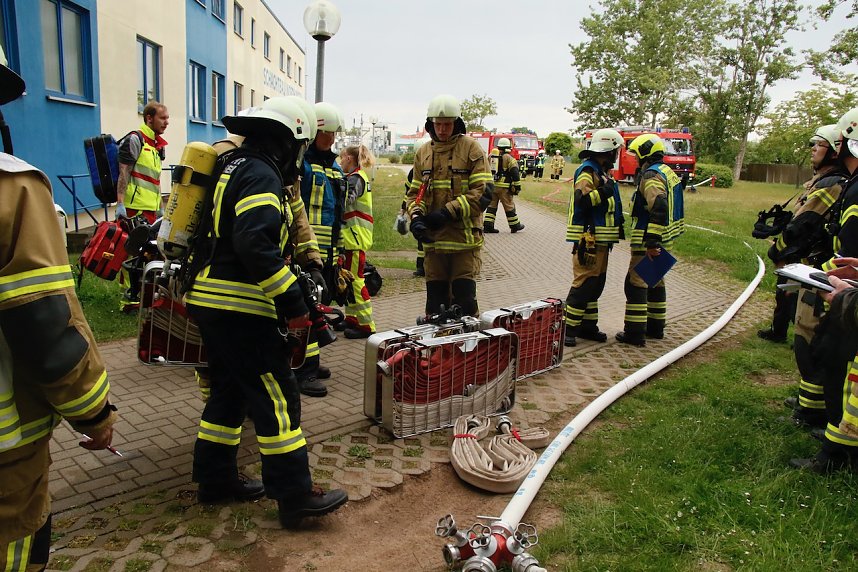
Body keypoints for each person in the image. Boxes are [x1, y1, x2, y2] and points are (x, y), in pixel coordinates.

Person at [184, 98, 347, 526]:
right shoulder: (260, 173)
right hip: (240, 305)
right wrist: (292, 301)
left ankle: (216, 481)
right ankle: (294, 497)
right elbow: (253, 243)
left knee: (228, 392)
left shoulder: (233, 164)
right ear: (290, 141)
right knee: (277, 396)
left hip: (210, 298)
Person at [0, 48, 118, 571]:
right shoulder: (13, 189)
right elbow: (43, 320)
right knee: (16, 541)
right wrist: (93, 413)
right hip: (6, 445)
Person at [790, 107, 858, 473]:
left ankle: (838, 454)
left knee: (839, 364)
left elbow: (846, 245)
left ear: (842, 144)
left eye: (820, 144)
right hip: (839, 284)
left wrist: (832, 278)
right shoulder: (847, 185)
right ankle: (830, 432)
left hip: (843, 293)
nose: (814, 148)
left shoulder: (852, 190)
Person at [773, 125, 848, 428]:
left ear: (834, 149)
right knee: (807, 338)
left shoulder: (832, 183)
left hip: (819, 272)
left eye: (817, 145)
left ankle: (813, 413)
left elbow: (804, 225)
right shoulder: (832, 181)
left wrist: (777, 249)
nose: (812, 149)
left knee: (809, 340)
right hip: (818, 270)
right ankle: (808, 404)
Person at [406, 94, 491, 318]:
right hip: (434, 245)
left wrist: (446, 213)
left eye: (447, 124)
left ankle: (468, 352)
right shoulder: (423, 153)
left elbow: (483, 193)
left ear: (457, 124)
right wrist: (416, 218)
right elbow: (415, 194)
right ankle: (437, 350)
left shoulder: (471, 149)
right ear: (430, 125)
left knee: (464, 303)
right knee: (435, 305)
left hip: (464, 241)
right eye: (438, 124)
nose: (442, 129)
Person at [296, 102, 347, 397]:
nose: (331, 138)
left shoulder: (335, 167)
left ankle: (310, 361)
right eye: (326, 133)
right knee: (305, 308)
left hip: (327, 252)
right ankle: (302, 370)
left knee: (319, 304)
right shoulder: (302, 163)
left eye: (333, 133)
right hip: (306, 250)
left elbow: (337, 210)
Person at [616, 133, 685, 347]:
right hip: (668, 238)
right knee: (656, 282)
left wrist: (652, 241)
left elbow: (659, 206)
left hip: (649, 240)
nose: (636, 160)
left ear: (646, 153)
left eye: (637, 155)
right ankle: (656, 328)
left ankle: (634, 333)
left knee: (636, 283)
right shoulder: (668, 173)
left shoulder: (651, 176)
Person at [564, 128, 625, 347]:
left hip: (601, 240)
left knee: (595, 284)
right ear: (608, 151)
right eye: (616, 151)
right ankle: (567, 329)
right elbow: (583, 201)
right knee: (584, 283)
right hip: (588, 239)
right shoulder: (587, 171)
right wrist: (606, 192)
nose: (617, 156)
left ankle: (587, 327)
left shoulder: (601, 172)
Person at [338, 144, 377, 338]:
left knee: (356, 281)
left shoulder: (355, 179)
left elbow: (346, 200)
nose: (340, 161)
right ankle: (352, 318)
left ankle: (366, 325)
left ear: (349, 159)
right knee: (349, 279)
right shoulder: (355, 177)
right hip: (351, 238)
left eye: (342, 157)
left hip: (354, 238)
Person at [116, 101, 169, 223]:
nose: (166, 123)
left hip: (151, 211)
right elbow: (124, 172)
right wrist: (120, 204)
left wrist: (160, 208)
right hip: (134, 211)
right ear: (149, 118)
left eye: (167, 118)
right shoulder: (135, 140)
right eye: (162, 118)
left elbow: (156, 180)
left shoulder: (157, 145)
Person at [484, 138, 525, 234]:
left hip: (492, 186)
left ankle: (488, 226)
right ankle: (515, 225)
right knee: (509, 206)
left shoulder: (490, 156)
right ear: (508, 147)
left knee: (491, 206)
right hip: (504, 188)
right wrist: (517, 186)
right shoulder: (509, 158)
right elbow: (515, 173)